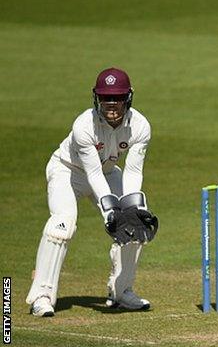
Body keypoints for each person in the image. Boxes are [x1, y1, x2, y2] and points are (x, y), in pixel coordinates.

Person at [26, 68, 158, 317]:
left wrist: (130, 207)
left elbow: (132, 171)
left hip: (108, 172)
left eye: (117, 98)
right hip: (69, 171)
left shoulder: (140, 126)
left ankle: (121, 292)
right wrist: (110, 211)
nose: (112, 104)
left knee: (133, 221)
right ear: (96, 98)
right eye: (106, 98)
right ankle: (42, 296)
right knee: (62, 225)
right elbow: (91, 173)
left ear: (128, 98)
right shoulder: (83, 125)